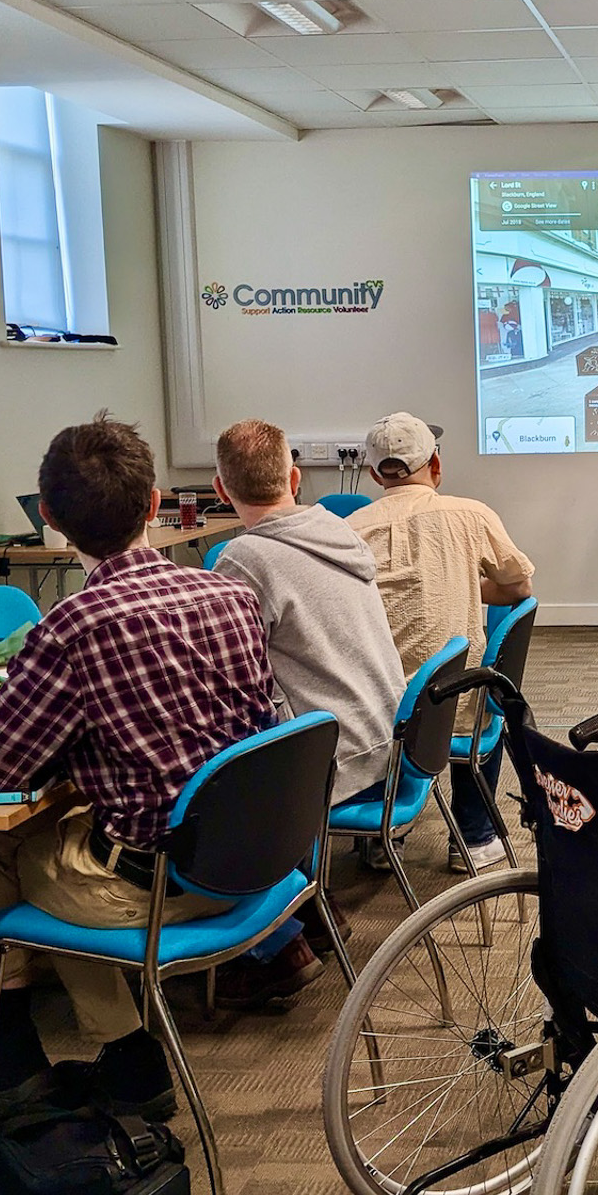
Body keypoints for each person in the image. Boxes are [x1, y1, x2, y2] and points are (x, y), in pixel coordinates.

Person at [0, 415, 282, 1133]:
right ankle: (16, 1056)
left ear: (50, 520)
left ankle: (64, 1052)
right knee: (49, 832)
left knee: (5, 845)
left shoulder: (74, 627)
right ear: (155, 504)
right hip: (254, 862)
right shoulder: (232, 597)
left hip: (156, 892)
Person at [207, 418, 403, 1007]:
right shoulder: (338, 530)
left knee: (206, 780)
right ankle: (308, 907)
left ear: (221, 491)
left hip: (331, 760)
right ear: (295, 477)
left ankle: (279, 937)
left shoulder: (243, 560)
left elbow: (226, 681)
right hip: (385, 735)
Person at [347, 412, 534, 872]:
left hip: (379, 717)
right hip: (452, 707)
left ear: (374, 474)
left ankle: (378, 832)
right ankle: (474, 836)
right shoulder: (471, 515)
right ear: (436, 464)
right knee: (479, 690)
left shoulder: (349, 530)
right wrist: (467, 586)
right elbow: (519, 588)